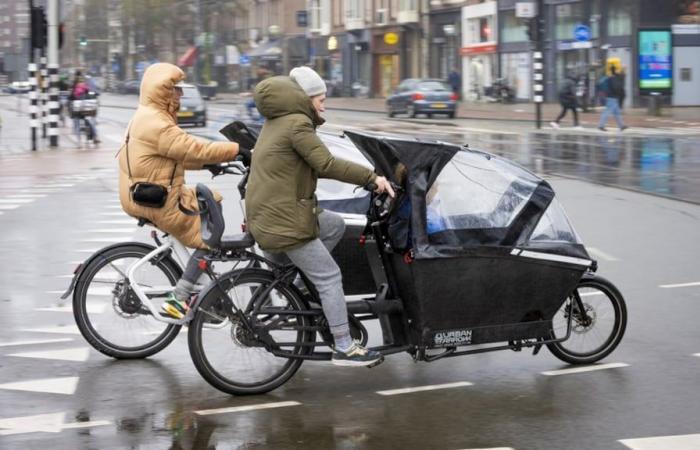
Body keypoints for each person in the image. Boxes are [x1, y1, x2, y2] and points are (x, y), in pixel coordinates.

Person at [245, 66, 395, 367]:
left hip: (267, 213)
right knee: (329, 277)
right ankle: (344, 346)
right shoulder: (298, 123)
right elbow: (325, 163)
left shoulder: (275, 121)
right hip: (284, 219)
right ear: (305, 98)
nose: (324, 106)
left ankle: (296, 286)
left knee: (333, 224)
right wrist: (371, 178)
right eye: (320, 99)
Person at [118, 63, 246, 319]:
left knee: (213, 201)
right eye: (175, 89)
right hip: (158, 199)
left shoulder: (147, 115)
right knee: (210, 236)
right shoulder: (157, 123)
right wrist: (237, 150)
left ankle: (199, 288)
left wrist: (212, 163)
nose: (181, 95)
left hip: (147, 192)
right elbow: (191, 148)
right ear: (161, 91)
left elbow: (174, 156)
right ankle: (179, 298)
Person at [598, 66, 628, 132]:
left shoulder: (610, 78)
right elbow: (617, 86)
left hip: (612, 97)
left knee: (617, 113)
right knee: (607, 111)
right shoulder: (614, 78)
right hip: (612, 97)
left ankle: (622, 126)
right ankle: (601, 125)